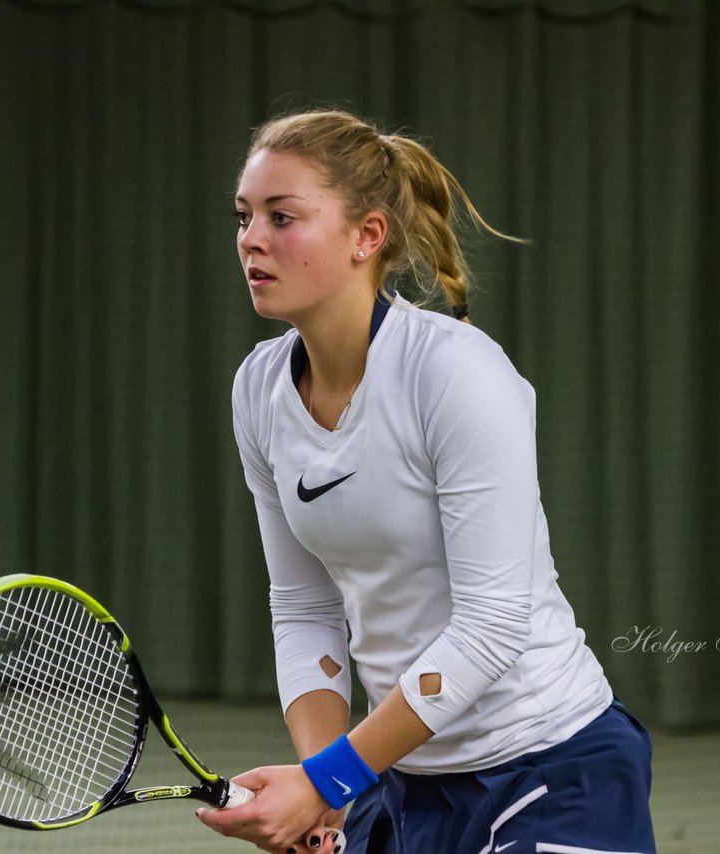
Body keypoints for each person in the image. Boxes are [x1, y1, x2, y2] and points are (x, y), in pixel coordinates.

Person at [198, 109, 656, 854]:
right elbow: (304, 602)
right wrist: (328, 787)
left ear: (367, 237)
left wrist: (327, 782)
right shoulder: (258, 391)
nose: (252, 238)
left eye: (283, 217)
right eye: (245, 216)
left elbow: (492, 625)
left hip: (553, 769)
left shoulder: (456, 373)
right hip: (402, 785)